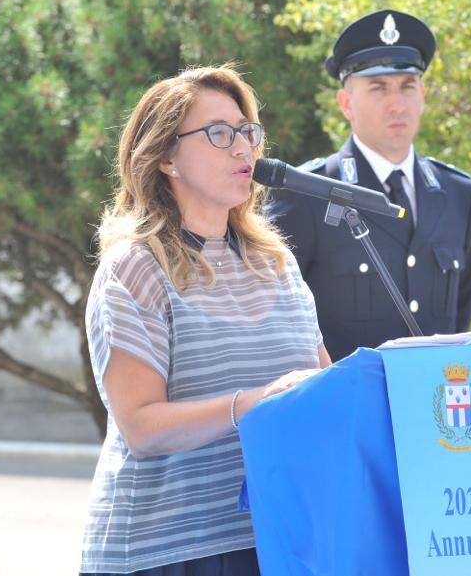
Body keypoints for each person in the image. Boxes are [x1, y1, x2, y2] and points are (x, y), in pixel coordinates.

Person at [79, 65, 331, 576]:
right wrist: (251, 404)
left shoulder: (276, 264)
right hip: (168, 551)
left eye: (248, 132)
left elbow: (321, 388)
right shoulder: (136, 268)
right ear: (167, 156)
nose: (243, 149)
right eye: (219, 134)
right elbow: (143, 426)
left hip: (275, 540)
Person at [267, 9, 471, 362]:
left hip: (430, 408)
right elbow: (278, 323)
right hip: (345, 409)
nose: (397, 103)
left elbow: (461, 314)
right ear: (346, 103)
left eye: (407, 86)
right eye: (378, 88)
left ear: (423, 96)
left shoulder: (458, 193)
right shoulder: (307, 193)